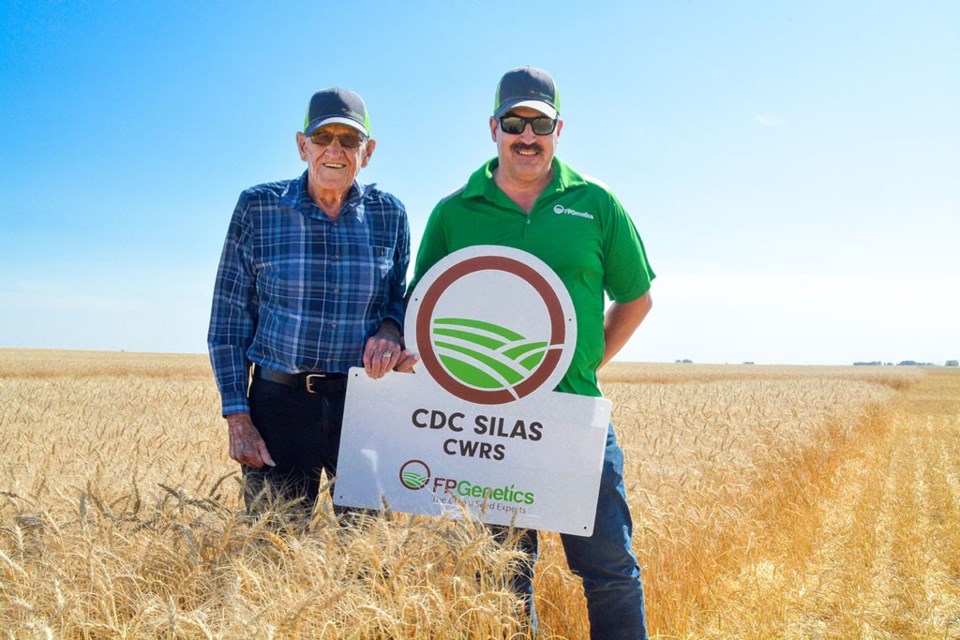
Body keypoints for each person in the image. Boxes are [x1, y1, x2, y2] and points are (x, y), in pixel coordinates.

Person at [408, 66, 655, 639]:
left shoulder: (596, 204)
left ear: (558, 129)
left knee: (610, 571)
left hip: (573, 417)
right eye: (514, 122)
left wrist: (584, 364)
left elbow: (636, 298)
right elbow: (421, 307)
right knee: (502, 577)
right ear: (493, 128)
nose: (526, 135)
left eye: (539, 123)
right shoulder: (453, 212)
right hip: (485, 424)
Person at [207, 88, 415, 525]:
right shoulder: (257, 208)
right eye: (323, 138)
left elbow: (398, 297)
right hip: (278, 405)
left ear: (368, 151)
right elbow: (229, 318)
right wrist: (237, 416)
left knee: (366, 553)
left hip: (363, 406)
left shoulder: (390, 215)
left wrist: (392, 329)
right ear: (303, 145)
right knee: (271, 549)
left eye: (349, 140)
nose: (335, 150)